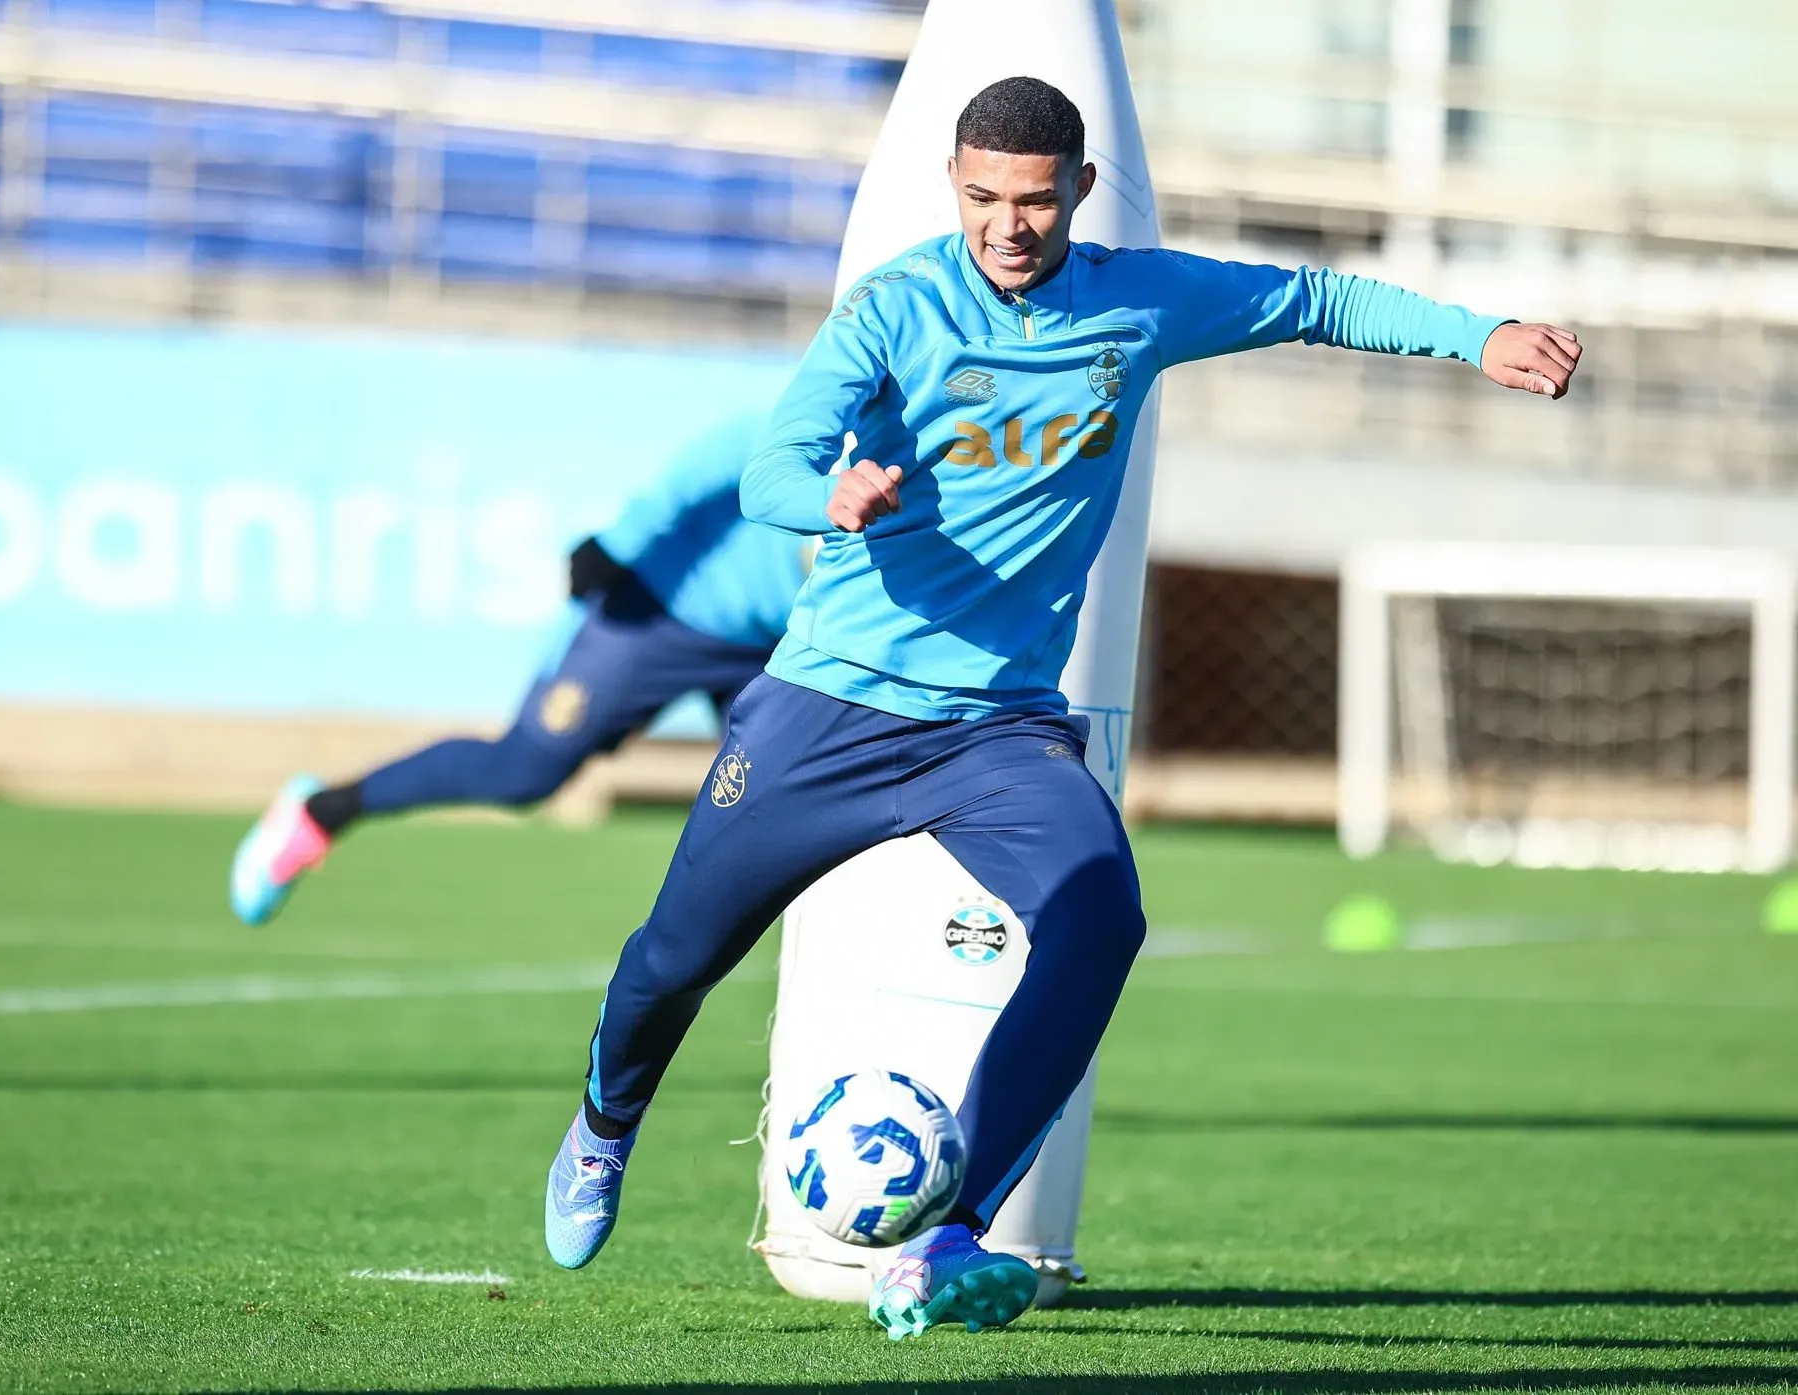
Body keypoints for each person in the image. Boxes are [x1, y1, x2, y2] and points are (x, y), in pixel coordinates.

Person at [541, 76, 1583, 1338]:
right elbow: (775, 465)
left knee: (1100, 920)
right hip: (829, 707)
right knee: (672, 958)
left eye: (1034, 200)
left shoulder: (1136, 302)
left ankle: (948, 1235)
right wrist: (831, 497)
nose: (1007, 225)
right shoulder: (894, 308)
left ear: (1080, 190)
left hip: (997, 729)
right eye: (983, 197)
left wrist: (1475, 335)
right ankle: (604, 1127)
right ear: (952, 184)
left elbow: (1311, 297)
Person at [227, 415, 809, 926]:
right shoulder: (835, 426)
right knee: (522, 771)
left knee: (779, 794)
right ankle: (320, 811)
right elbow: (732, 448)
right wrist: (617, 543)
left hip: (763, 647)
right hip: (655, 610)